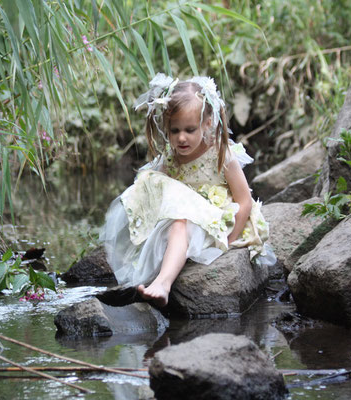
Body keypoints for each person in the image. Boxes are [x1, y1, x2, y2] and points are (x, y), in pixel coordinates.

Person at [101, 73, 274, 307]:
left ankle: (163, 283)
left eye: (190, 130)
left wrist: (229, 240)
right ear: (167, 128)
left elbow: (245, 202)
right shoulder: (171, 158)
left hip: (214, 222)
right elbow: (160, 193)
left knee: (181, 222)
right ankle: (156, 278)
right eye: (175, 131)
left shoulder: (221, 155)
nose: (181, 138)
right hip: (179, 224)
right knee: (155, 189)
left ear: (207, 123)